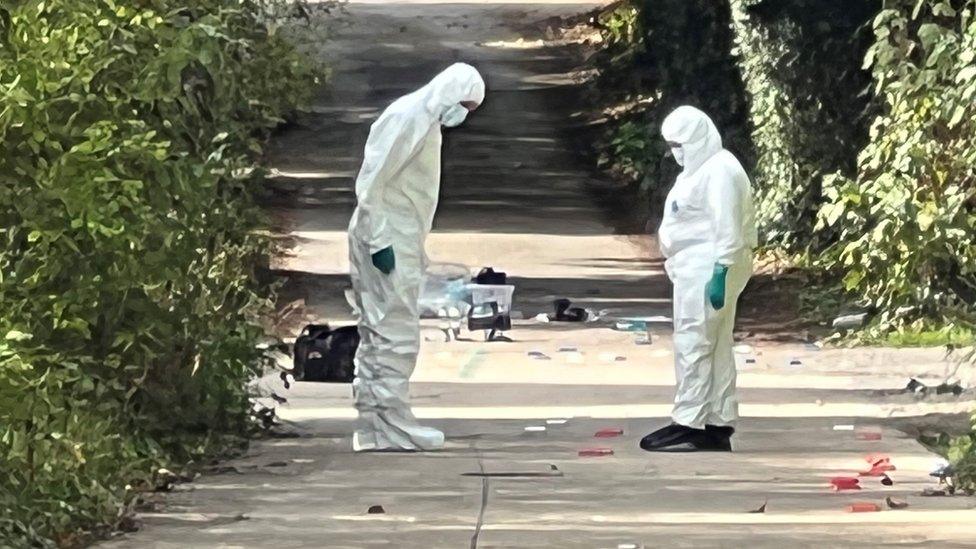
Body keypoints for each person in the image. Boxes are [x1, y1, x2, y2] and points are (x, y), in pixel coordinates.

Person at [348, 63, 485, 452]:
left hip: (399, 233)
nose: (462, 115)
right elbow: (372, 183)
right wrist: (379, 242)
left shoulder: (422, 119)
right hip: (387, 235)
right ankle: (390, 425)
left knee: (381, 330)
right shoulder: (409, 118)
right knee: (394, 333)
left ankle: (378, 424)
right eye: (465, 105)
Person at [640, 106, 757, 452]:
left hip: (709, 268)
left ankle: (688, 419)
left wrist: (720, 273)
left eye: (681, 143)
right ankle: (718, 421)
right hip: (698, 266)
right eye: (672, 144)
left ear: (698, 138)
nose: (676, 151)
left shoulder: (719, 171)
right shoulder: (701, 168)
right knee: (716, 344)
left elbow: (727, 228)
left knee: (694, 341)